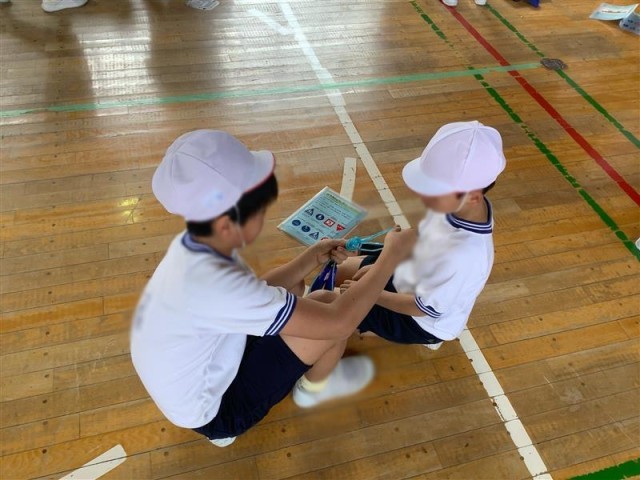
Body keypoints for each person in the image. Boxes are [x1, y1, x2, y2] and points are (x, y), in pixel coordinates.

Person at [130, 130, 416, 447]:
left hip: (194, 377)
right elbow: (339, 322)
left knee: (305, 291)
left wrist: (309, 258)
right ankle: (309, 392)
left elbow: (254, 292)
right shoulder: (219, 281)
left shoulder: (198, 247)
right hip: (216, 410)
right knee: (328, 322)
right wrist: (390, 257)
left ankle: (306, 371)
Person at [337, 120, 506, 350]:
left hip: (420, 321)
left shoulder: (464, 255)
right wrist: (379, 269)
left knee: (334, 306)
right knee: (342, 271)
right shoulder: (462, 207)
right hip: (412, 278)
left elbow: (420, 308)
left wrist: (371, 292)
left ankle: (375, 329)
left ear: (473, 197)